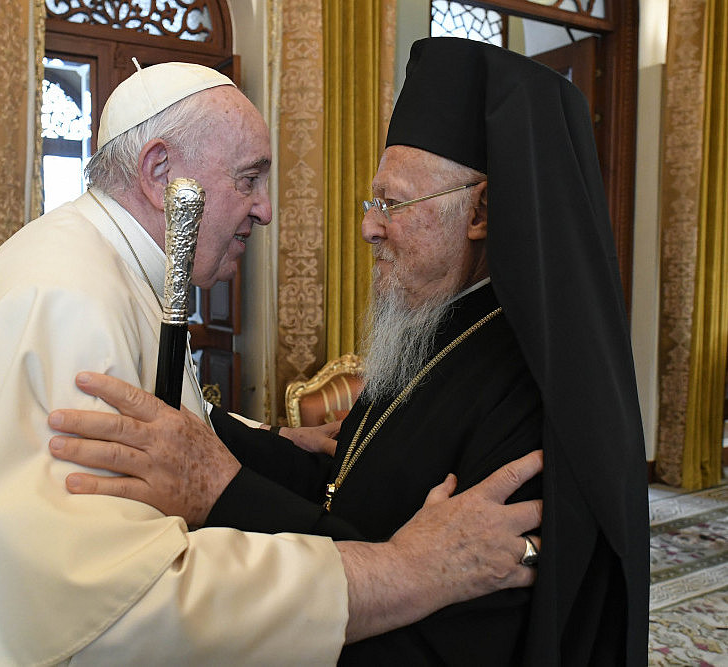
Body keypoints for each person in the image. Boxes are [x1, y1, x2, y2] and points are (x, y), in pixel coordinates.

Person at [0, 60, 543, 665]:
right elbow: (127, 600)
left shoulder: (89, 263)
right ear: (159, 170)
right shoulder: (71, 301)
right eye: (250, 177)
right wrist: (403, 571)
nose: (264, 210)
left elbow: (159, 414)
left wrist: (257, 444)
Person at [47, 38, 649, 665]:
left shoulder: (530, 392)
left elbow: (467, 615)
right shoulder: (425, 329)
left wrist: (221, 486)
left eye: (392, 203)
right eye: (372, 201)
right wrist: (205, 428)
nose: (368, 225)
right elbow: (341, 487)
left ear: (482, 212)